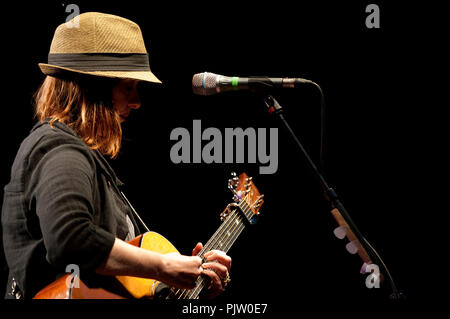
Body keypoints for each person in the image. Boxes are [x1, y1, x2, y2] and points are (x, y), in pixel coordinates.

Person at [1, 12, 231, 299]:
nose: (136, 102)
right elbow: (71, 240)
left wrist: (190, 289)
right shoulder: (59, 148)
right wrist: (163, 266)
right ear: (91, 90)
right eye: (127, 87)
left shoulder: (79, 157)